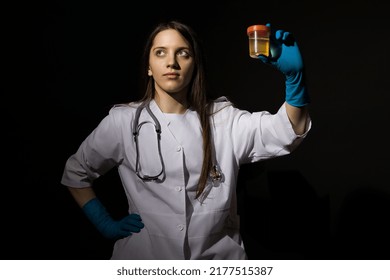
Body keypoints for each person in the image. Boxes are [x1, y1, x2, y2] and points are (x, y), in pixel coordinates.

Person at [61, 20, 311, 260]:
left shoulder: (224, 120)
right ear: (148, 66)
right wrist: (105, 223)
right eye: (160, 53)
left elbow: (286, 130)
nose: (171, 62)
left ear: (195, 64)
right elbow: (76, 172)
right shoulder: (123, 122)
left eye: (183, 53)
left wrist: (295, 80)